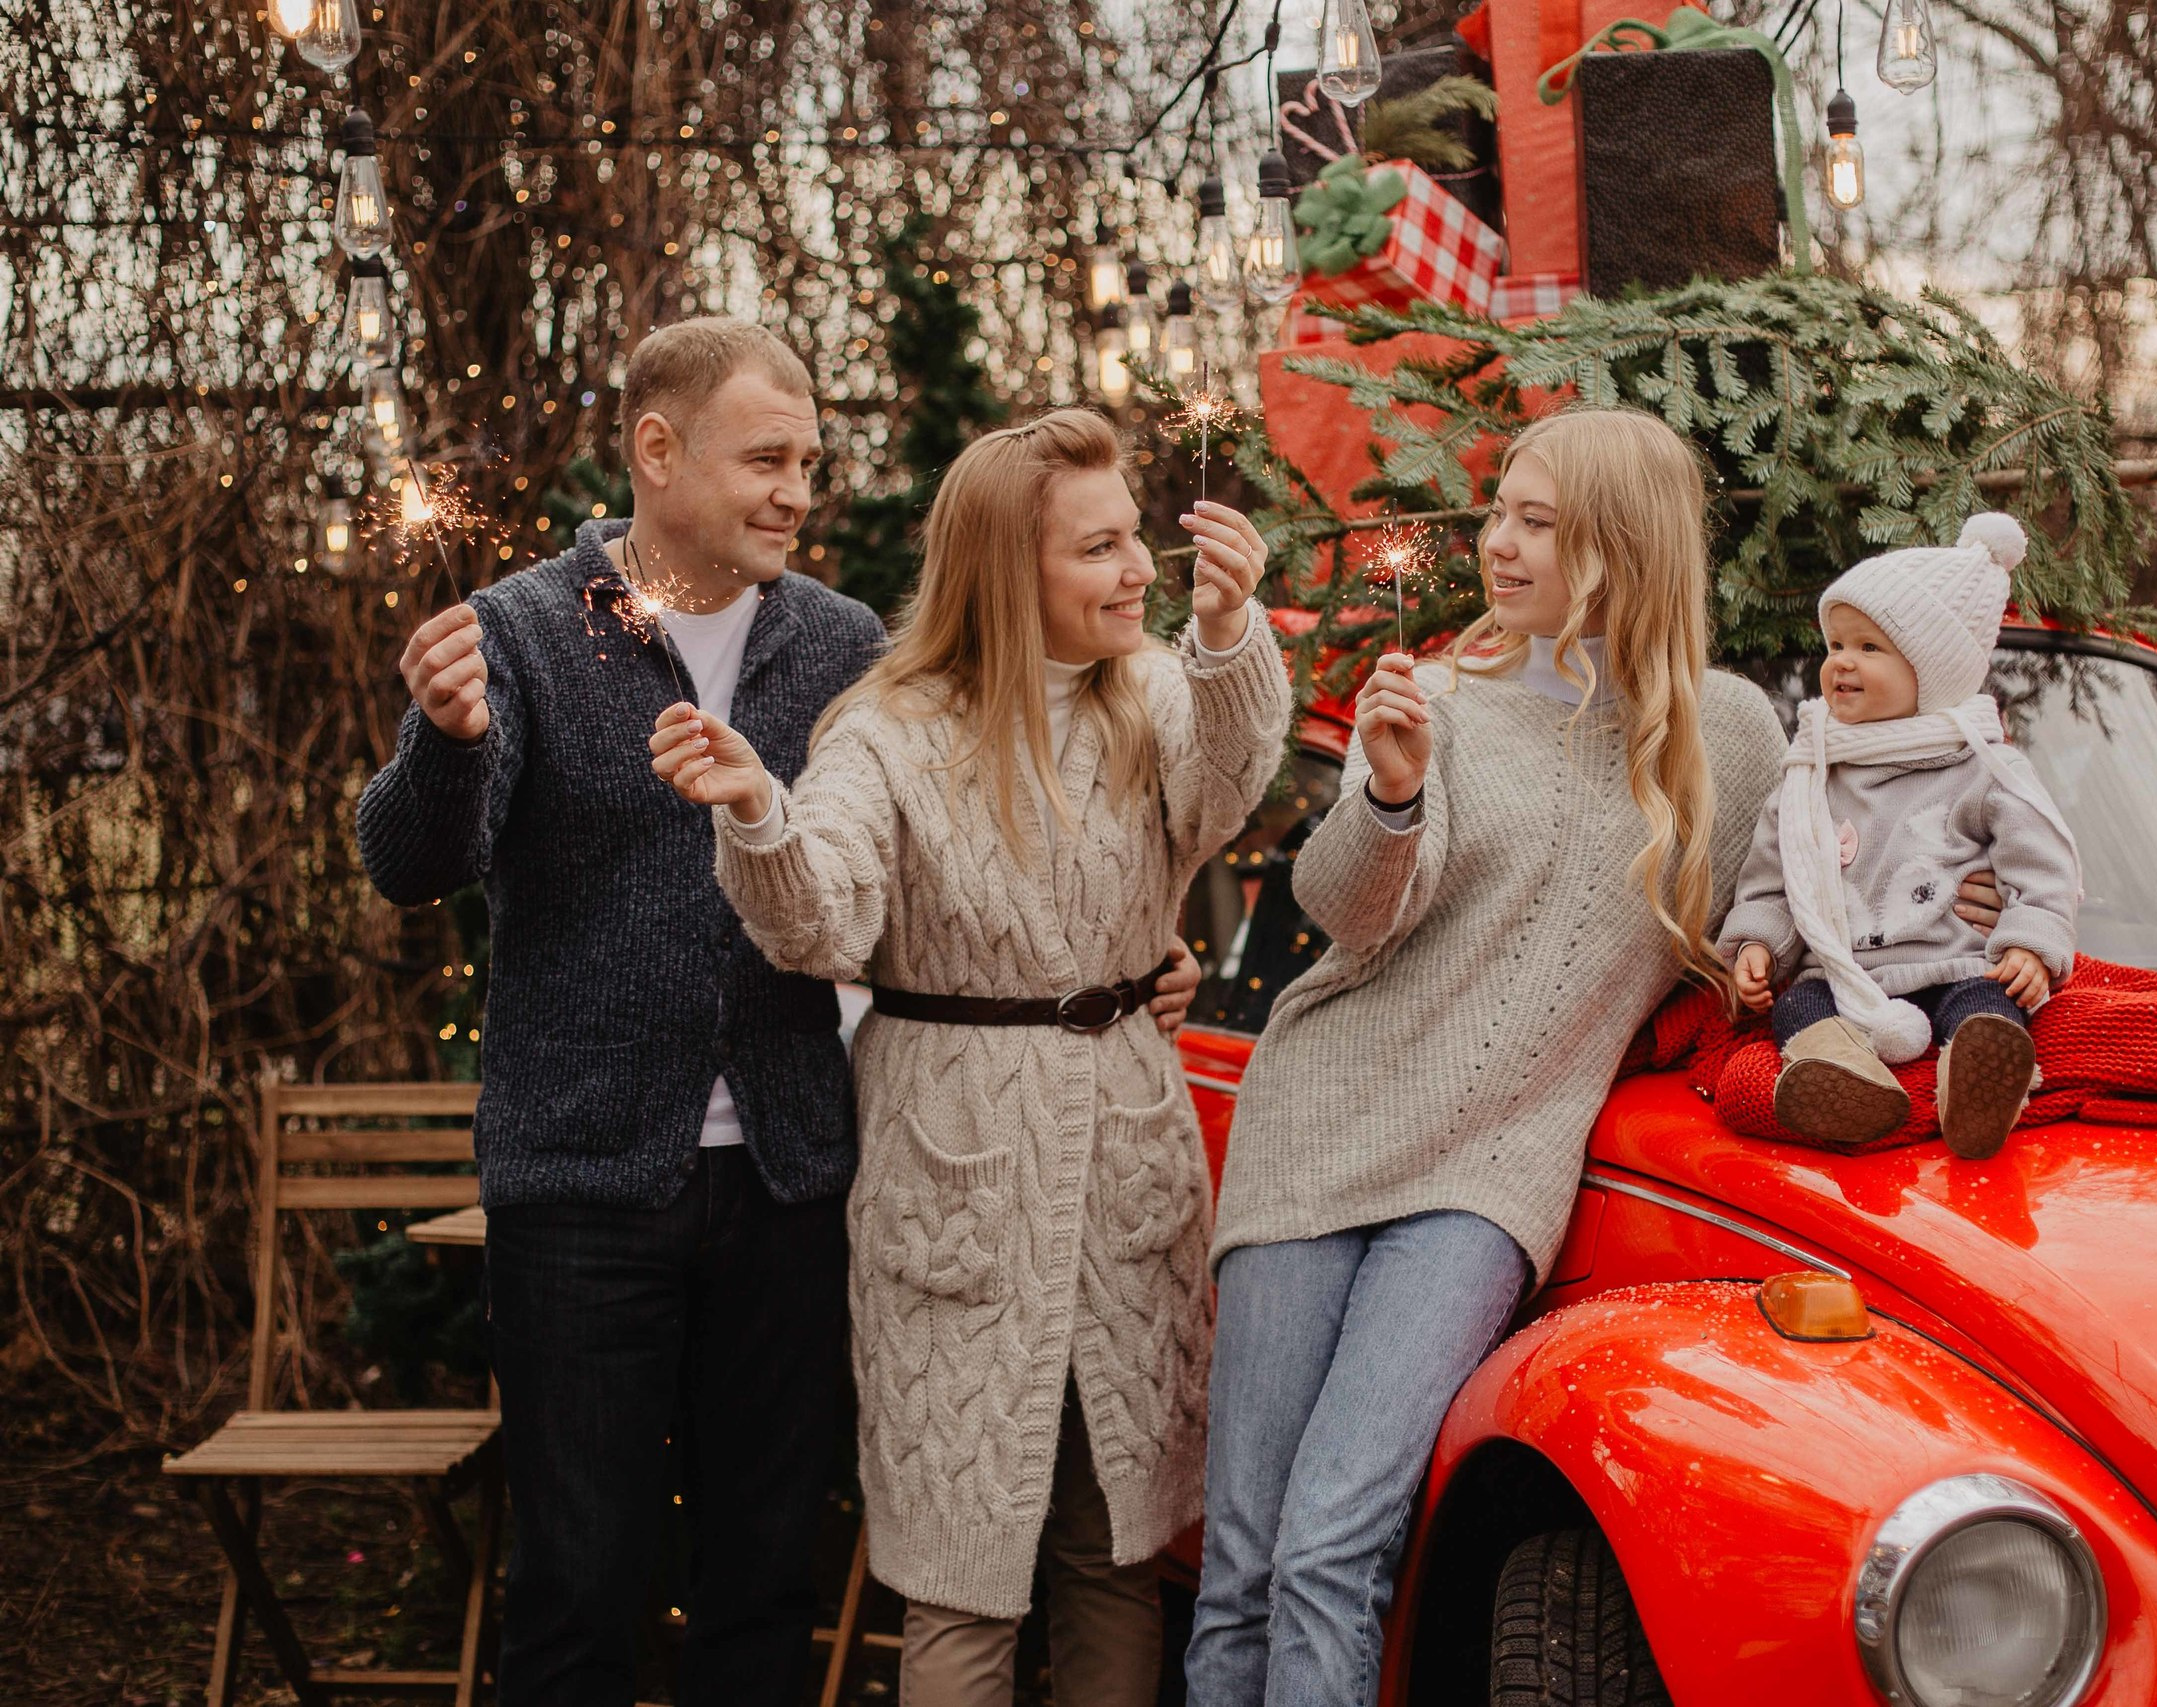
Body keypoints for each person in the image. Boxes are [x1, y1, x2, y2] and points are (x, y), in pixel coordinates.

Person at [356, 318, 1203, 1705]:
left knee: (762, 1581)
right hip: (585, 1180)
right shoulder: (522, 631)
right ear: (656, 448)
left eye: (809, 458)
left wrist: (1128, 963)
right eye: (765, 458)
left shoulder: (837, 640)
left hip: (799, 1170)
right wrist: (444, 744)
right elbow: (409, 863)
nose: (797, 488)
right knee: (578, 1581)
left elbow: (927, 857)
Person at [647, 408, 1290, 1707]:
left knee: (1113, 1548)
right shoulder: (889, 728)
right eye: (1099, 547)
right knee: (959, 1574)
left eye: (1135, 541)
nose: (1138, 571)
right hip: (956, 1163)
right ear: (1011, 566)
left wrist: (1227, 640)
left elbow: (1227, 789)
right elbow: (822, 914)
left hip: (1124, 1147)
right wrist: (760, 811)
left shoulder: (1152, 692)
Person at [1187, 409, 1782, 1705]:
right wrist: (1390, 793)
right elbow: (1345, 908)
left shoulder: (1726, 738)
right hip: (1321, 1125)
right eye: (1500, 510)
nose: (1497, 543)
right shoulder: (1446, 696)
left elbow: (1793, 914)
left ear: (1622, 549)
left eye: (1538, 522)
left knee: (1335, 1542)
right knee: (1242, 1560)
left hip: (1490, 1174)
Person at [1719, 512, 2080, 1157]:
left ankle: (1978, 1080)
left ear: (1930, 669)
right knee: (1797, 1012)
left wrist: (2030, 945)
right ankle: (1843, 1085)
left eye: (1869, 648)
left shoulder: (1982, 763)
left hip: (1952, 961)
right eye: (1836, 645)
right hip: (1839, 973)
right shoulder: (1810, 770)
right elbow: (1774, 879)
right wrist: (1757, 946)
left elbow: (2042, 866)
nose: (1842, 664)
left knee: (1984, 1005)